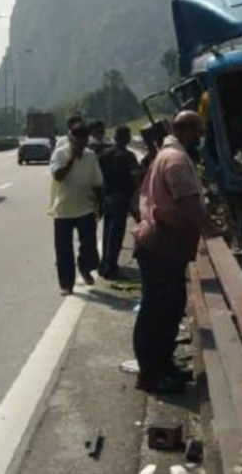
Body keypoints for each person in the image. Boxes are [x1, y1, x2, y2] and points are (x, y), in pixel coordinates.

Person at [131, 111, 209, 394]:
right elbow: (188, 202)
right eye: (198, 132)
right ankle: (150, 374)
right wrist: (211, 227)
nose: (200, 139)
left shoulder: (168, 155)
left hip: (167, 247)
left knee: (171, 307)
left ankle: (164, 365)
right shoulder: (175, 160)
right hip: (161, 246)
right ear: (185, 130)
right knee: (157, 311)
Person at [49, 122, 104, 296]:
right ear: (71, 138)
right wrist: (71, 159)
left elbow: (98, 183)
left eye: (84, 139)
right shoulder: (60, 153)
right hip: (63, 209)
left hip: (86, 208)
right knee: (63, 250)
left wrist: (99, 203)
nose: (80, 143)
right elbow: (58, 176)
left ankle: (84, 267)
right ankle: (66, 284)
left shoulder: (91, 156)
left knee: (89, 247)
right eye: (76, 139)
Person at [97, 126, 139, 280]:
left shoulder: (104, 154)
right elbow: (136, 177)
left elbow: (98, 177)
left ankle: (104, 265)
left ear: (115, 137)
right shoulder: (129, 156)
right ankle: (111, 267)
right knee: (116, 234)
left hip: (107, 196)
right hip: (121, 197)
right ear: (127, 138)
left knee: (108, 231)